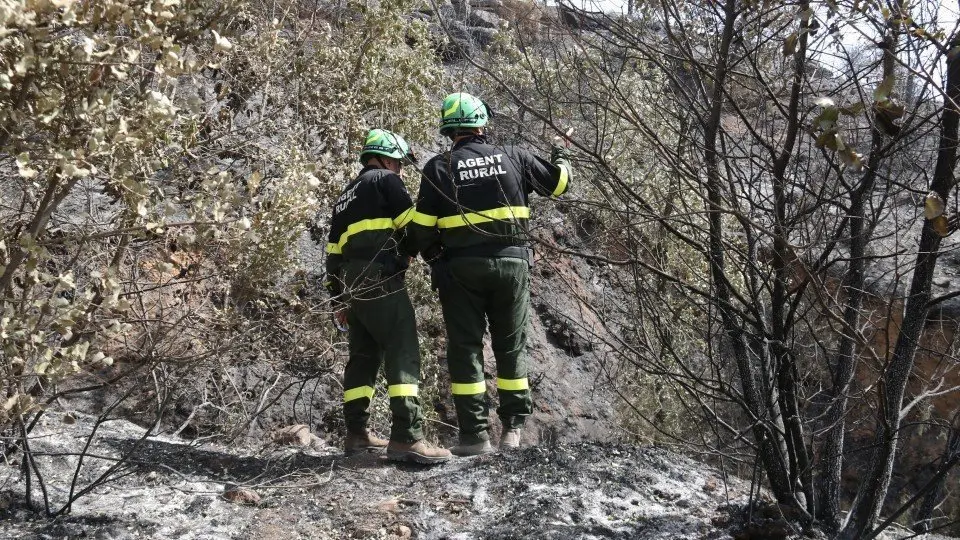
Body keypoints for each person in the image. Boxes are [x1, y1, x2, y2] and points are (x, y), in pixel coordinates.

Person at [408, 92, 572, 456]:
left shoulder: (439, 167)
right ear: (482, 123)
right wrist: (561, 150)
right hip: (512, 266)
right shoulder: (515, 156)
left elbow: (420, 228)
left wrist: (435, 256)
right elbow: (559, 184)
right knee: (510, 346)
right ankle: (512, 430)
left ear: (449, 129)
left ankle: (474, 437)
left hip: (461, 269)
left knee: (465, 349)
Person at [321, 128, 451, 465]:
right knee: (402, 349)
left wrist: (339, 301)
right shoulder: (387, 182)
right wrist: (413, 254)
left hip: (352, 286)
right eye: (398, 161)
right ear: (382, 157)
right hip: (381, 277)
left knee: (363, 358)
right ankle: (407, 437)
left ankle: (356, 434)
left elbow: (333, 254)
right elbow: (414, 225)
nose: (401, 169)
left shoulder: (345, 195)